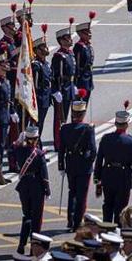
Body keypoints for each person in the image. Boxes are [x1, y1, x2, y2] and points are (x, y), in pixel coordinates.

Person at [94, 106, 132, 225]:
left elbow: (99, 160)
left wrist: (97, 178)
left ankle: (106, 227)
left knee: (108, 204)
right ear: (127, 124)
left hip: (108, 176)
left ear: (115, 123)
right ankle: (117, 232)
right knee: (121, 209)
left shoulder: (106, 139)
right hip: (123, 178)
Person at [58, 98, 96, 232]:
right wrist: (89, 162)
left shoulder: (64, 128)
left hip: (70, 164)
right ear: (83, 114)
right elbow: (93, 150)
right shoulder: (88, 129)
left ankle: (70, 219)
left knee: (72, 192)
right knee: (81, 195)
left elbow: (61, 149)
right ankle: (77, 222)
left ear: (72, 113)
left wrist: (61, 166)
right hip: (84, 166)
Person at [14, 124, 50, 259]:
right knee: (36, 220)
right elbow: (44, 175)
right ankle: (33, 249)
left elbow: (12, 149)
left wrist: (18, 142)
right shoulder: (39, 154)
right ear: (36, 139)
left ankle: (21, 245)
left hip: (24, 186)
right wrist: (47, 190)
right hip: (37, 187)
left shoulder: (19, 150)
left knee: (26, 216)